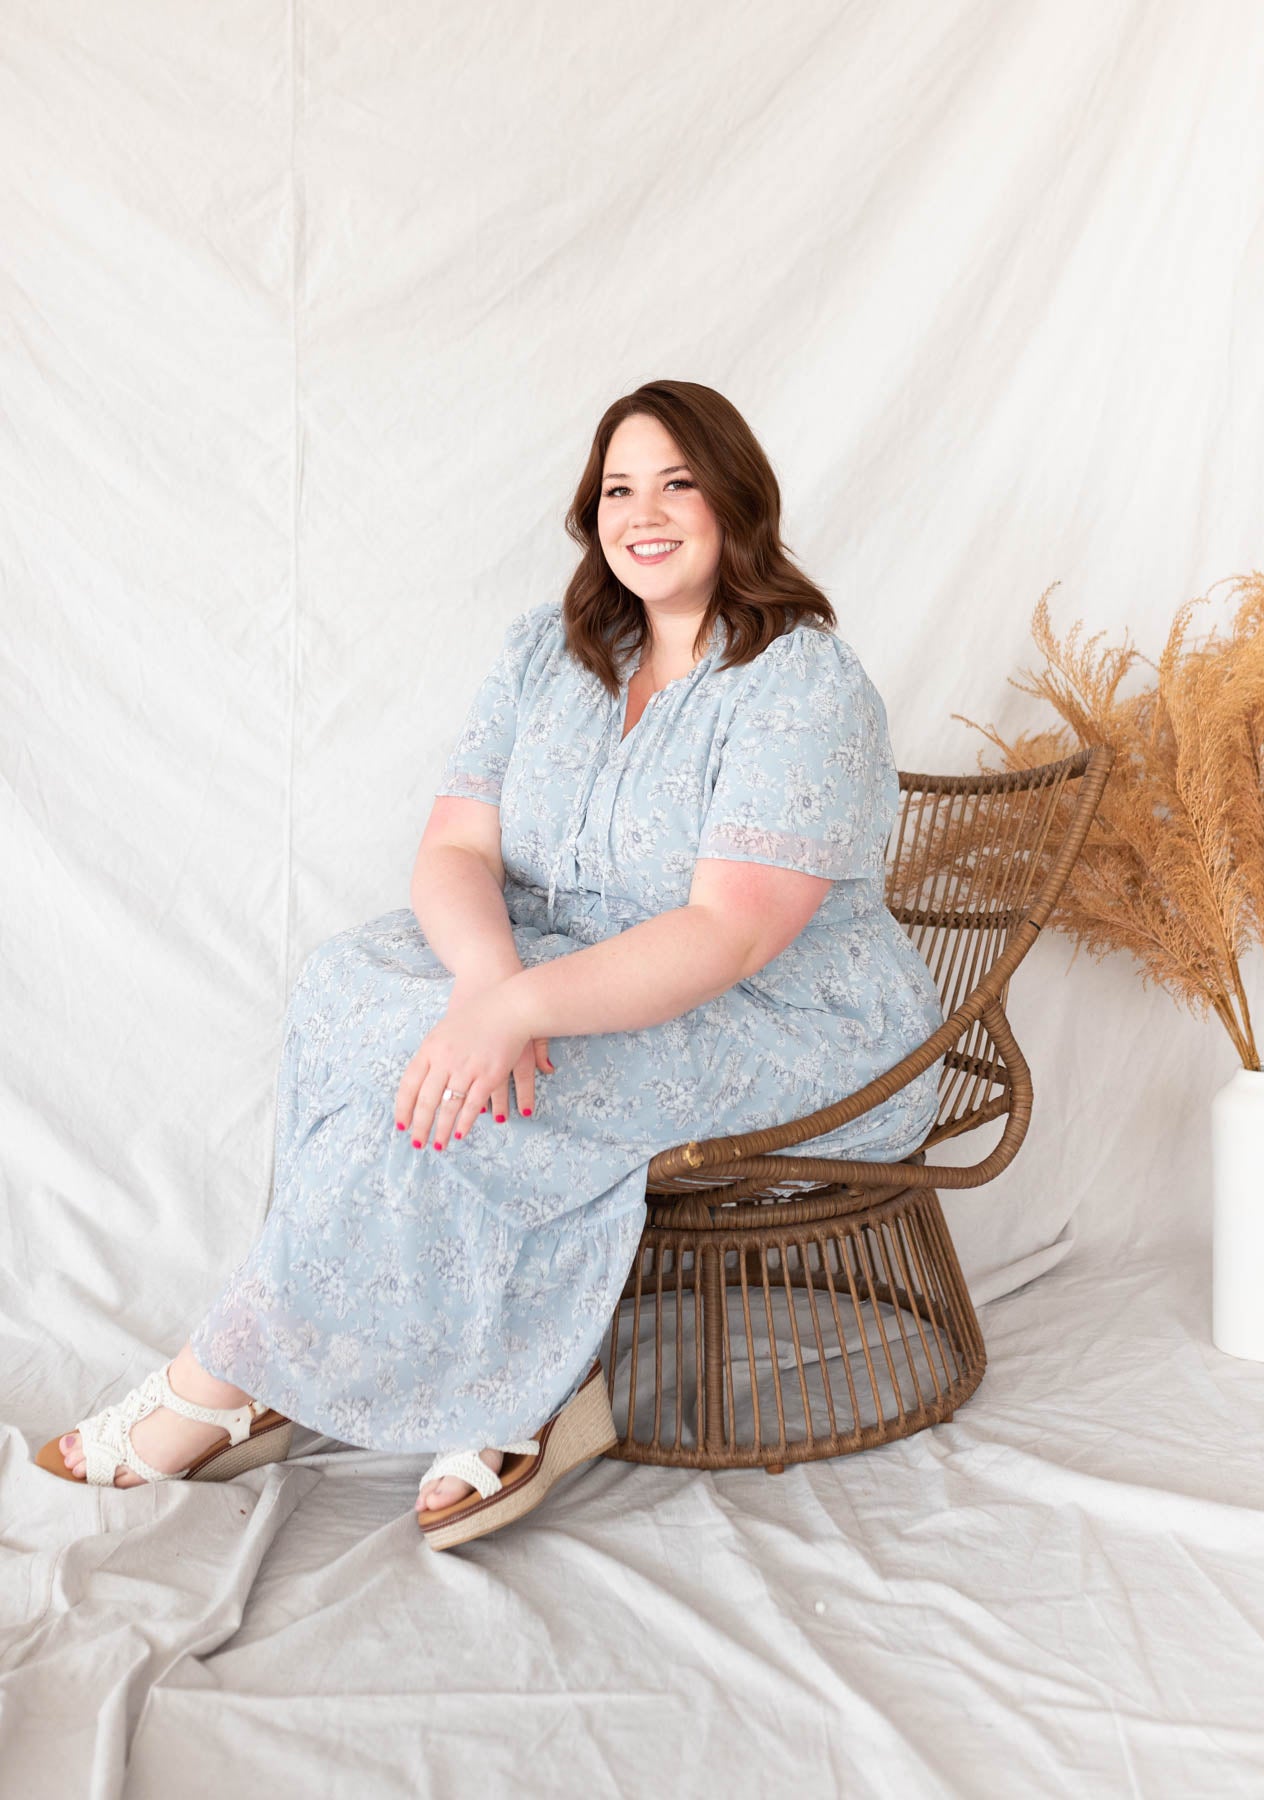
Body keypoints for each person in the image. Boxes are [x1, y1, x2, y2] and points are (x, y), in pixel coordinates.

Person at [37, 381, 945, 1548]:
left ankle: (250, 1379)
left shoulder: (800, 681)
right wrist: (483, 990)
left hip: (778, 1010)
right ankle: (353, 1356)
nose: (644, 511)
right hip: (559, 959)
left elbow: (729, 933)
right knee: (346, 988)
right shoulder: (549, 651)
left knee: (524, 1072)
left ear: (734, 500)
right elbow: (457, 846)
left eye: (677, 481)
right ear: (590, 511)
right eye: (619, 486)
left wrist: (520, 1006)